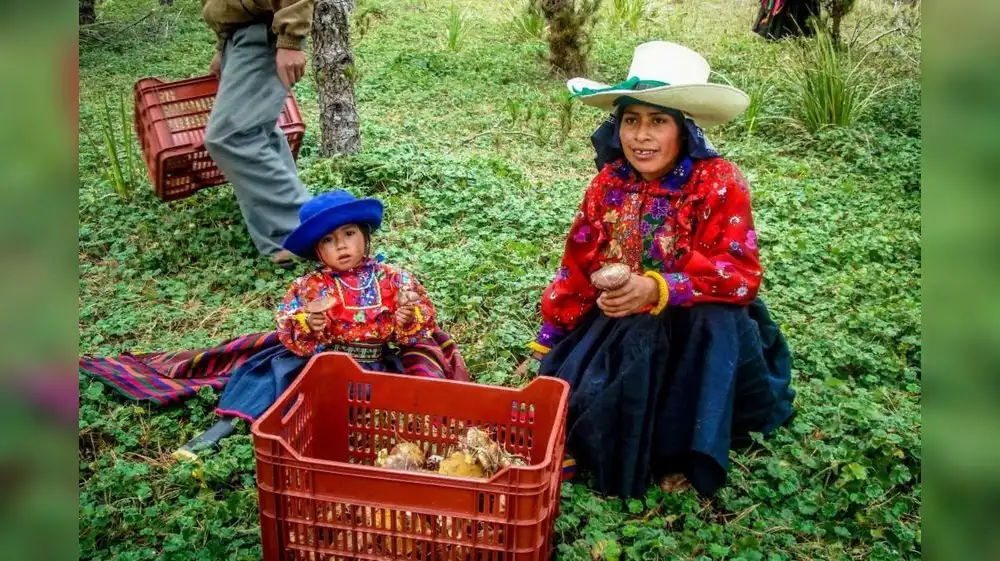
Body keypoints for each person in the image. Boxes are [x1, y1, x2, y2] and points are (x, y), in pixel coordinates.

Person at [525, 42, 796, 499]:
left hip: (703, 327)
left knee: (713, 322)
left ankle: (684, 450)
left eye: (658, 121)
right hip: (623, 321)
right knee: (592, 379)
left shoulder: (718, 182)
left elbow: (739, 275)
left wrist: (657, 289)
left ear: (683, 129)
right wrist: (552, 335)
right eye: (631, 120)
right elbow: (579, 261)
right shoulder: (608, 183)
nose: (640, 136)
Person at [170, 190, 470, 460]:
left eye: (349, 233)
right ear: (317, 250)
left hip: (375, 363)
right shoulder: (311, 285)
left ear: (365, 235)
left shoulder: (393, 278)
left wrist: (405, 320)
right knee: (272, 382)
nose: (341, 245)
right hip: (323, 361)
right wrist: (310, 324)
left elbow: (417, 320)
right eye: (328, 240)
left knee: (406, 399)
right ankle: (221, 431)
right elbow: (291, 320)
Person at [201, 0, 316, 267]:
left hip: (266, 29)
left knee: (231, 137)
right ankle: (283, 239)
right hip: (240, 34)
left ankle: (315, 233)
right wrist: (223, 44)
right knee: (258, 134)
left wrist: (290, 38)